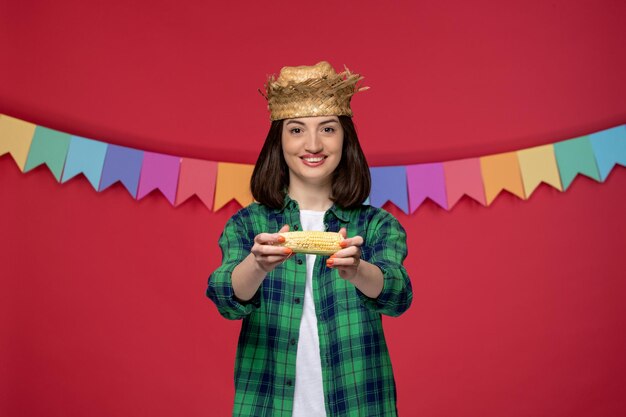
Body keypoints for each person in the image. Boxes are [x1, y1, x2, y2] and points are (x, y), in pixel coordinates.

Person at [207, 61, 413, 417]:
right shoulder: (248, 223)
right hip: (268, 405)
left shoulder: (377, 225)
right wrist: (257, 265)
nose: (313, 144)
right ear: (280, 141)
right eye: (297, 130)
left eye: (328, 129)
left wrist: (358, 270)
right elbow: (226, 297)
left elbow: (398, 295)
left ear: (344, 138)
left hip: (359, 405)